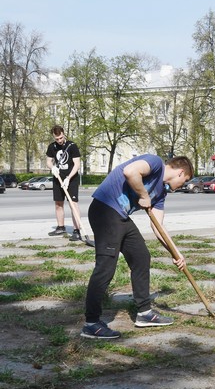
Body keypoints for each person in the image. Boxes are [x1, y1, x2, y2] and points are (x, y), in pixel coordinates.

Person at [81, 154, 194, 339]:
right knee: (105, 267)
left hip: (121, 217)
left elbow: (159, 228)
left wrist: (176, 253)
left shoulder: (161, 194)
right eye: (185, 181)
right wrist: (143, 195)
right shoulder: (156, 163)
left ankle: (144, 313)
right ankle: (91, 324)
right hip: (105, 209)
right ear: (181, 173)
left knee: (141, 256)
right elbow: (130, 171)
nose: (183, 185)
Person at [46, 125, 83, 241]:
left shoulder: (72, 146)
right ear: (54, 137)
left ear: (63, 134)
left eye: (61, 138)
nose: (60, 141)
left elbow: (77, 164)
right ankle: (60, 227)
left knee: (73, 204)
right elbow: (48, 161)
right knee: (58, 204)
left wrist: (68, 178)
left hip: (71, 179)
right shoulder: (52, 147)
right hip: (58, 179)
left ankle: (77, 231)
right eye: (57, 139)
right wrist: (52, 168)